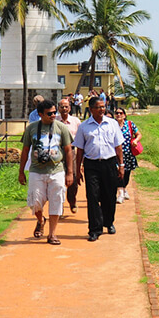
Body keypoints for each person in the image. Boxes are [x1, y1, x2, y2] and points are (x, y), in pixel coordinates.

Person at [18, 99, 74, 246]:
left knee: (56, 201)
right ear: (40, 114)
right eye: (50, 113)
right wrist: (21, 172)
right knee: (35, 202)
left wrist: (70, 172)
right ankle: (40, 220)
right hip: (37, 170)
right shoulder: (31, 129)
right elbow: (24, 151)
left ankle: (52, 234)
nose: (53, 115)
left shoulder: (61, 128)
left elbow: (68, 151)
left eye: (55, 112)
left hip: (56, 170)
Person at [73, 97, 124, 241]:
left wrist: (121, 165)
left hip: (109, 163)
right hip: (92, 165)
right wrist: (78, 170)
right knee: (93, 196)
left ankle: (109, 222)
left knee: (109, 195)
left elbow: (118, 147)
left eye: (103, 106)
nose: (102, 109)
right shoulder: (84, 127)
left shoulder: (112, 124)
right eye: (99, 107)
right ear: (91, 109)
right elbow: (80, 150)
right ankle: (95, 229)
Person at [57, 97, 83, 213]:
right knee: (57, 180)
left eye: (66, 106)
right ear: (58, 108)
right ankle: (59, 206)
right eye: (62, 107)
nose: (64, 109)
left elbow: (81, 140)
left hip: (72, 152)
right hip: (57, 152)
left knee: (73, 178)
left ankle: (72, 201)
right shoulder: (55, 121)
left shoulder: (76, 121)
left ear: (70, 108)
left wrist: (80, 160)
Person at [114, 108, 140, 204]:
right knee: (118, 174)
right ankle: (120, 192)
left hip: (128, 154)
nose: (118, 115)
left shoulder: (129, 124)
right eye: (117, 113)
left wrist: (135, 141)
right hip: (116, 154)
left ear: (124, 115)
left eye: (121, 113)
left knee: (126, 174)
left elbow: (138, 134)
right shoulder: (113, 125)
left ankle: (124, 189)